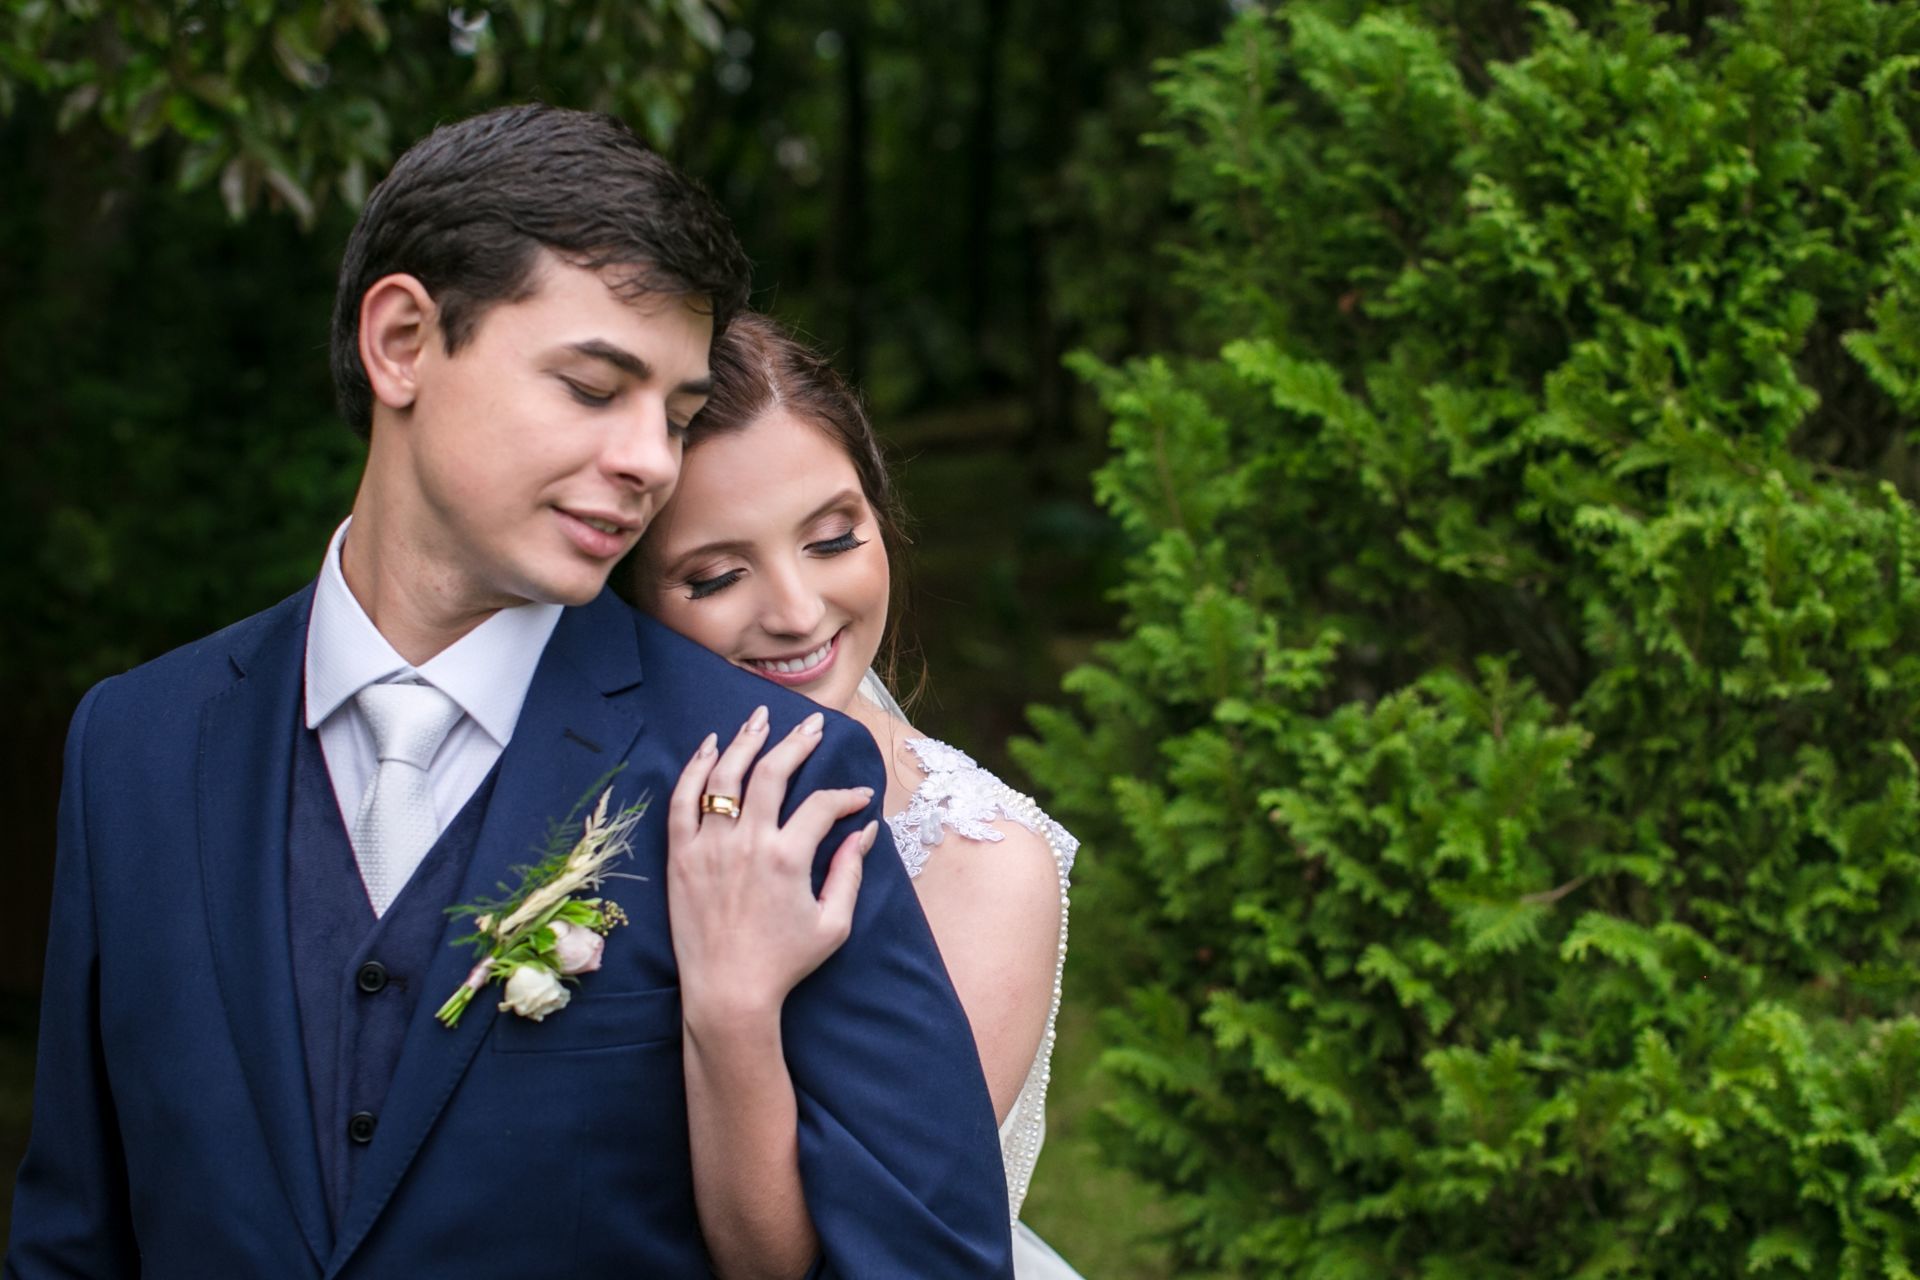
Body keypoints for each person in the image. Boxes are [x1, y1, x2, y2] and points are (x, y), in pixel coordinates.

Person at [6, 105, 1013, 1278]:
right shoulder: (132, 745)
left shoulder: (774, 773)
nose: (649, 459)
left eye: (678, 417)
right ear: (400, 343)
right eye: (595, 388)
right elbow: (76, 1233)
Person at [635, 312, 1083, 1278]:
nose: (797, 613)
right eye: (716, 574)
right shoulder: (588, 803)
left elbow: (823, 1260)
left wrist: (734, 1000)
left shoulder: (984, 865)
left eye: (833, 539)